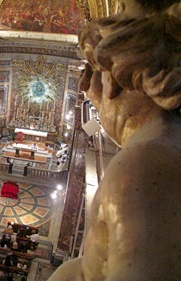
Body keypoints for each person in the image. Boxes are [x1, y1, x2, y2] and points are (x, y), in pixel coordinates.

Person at [49, 1, 181, 280]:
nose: (92, 92)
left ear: (114, 80)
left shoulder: (143, 167)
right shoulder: (164, 145)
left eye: (100, 72)